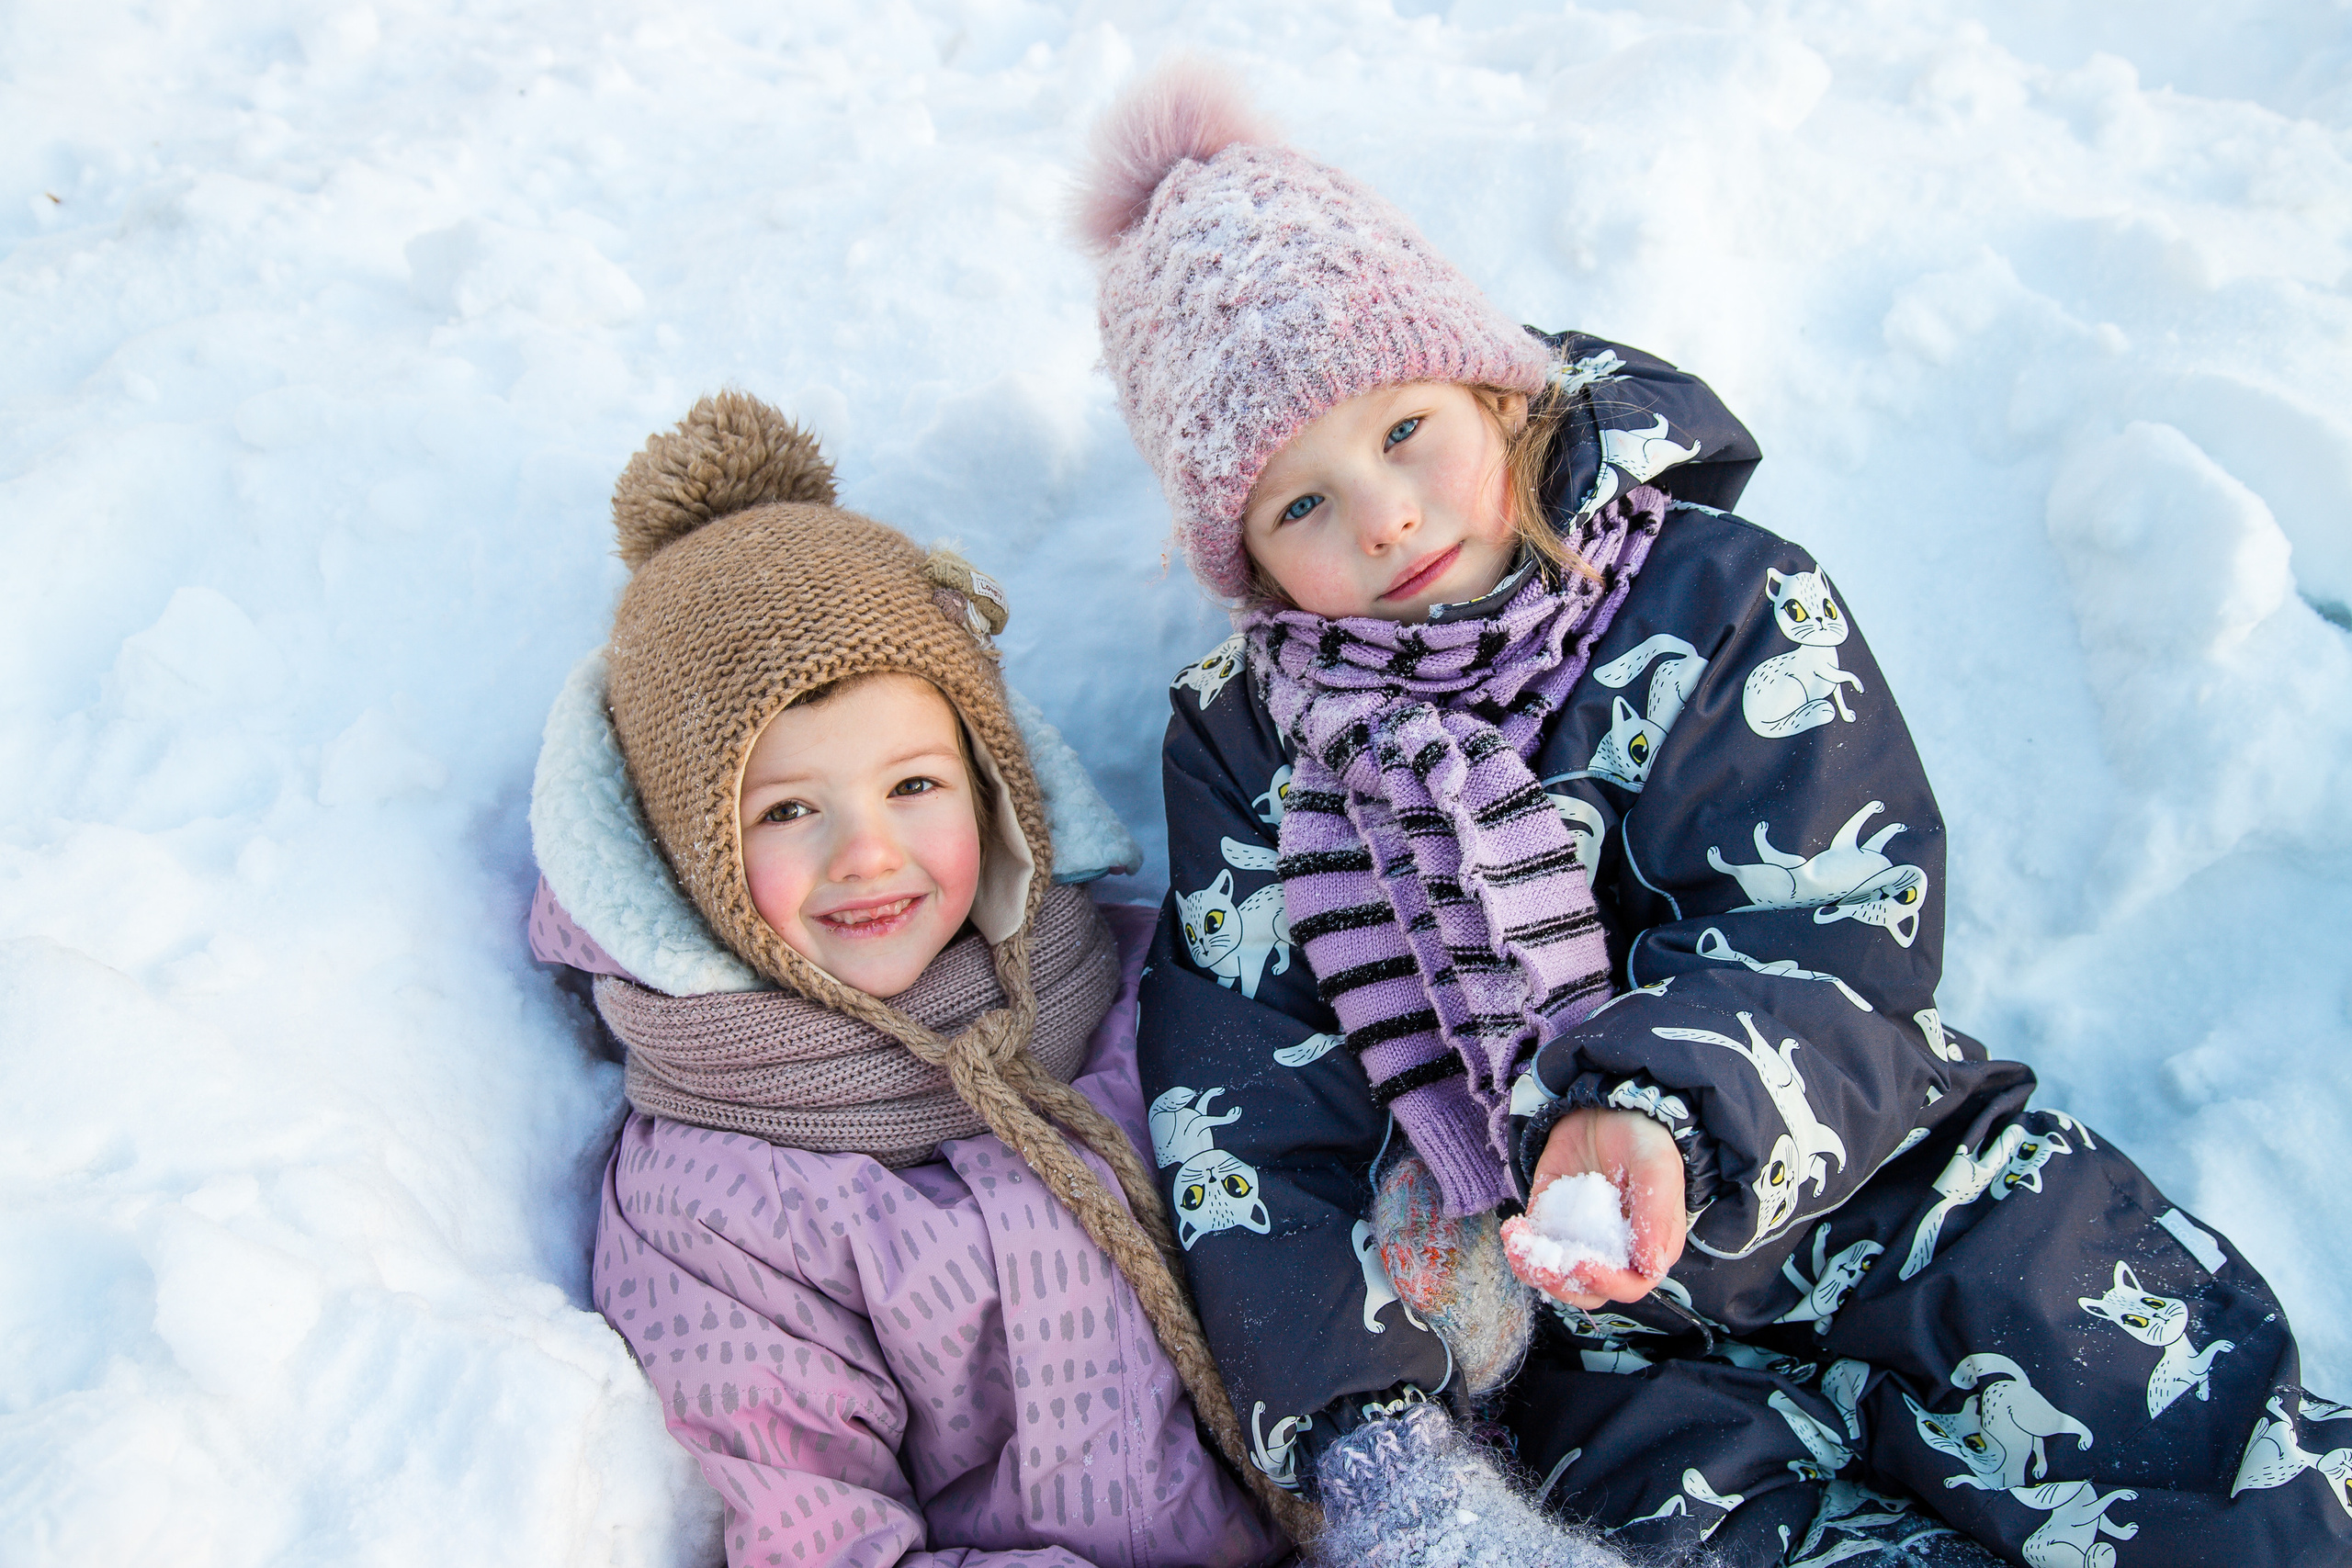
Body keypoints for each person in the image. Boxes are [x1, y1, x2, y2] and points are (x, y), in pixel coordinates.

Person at [1079, 59, 2352, 1567]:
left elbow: (1829, 920)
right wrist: (1371, 1441)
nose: (1382, 516)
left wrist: (1657, 1110)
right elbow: (1249, 1103)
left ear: (1493, 383)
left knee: (2204, 1454)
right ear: (1246, 560)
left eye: (1405, 427)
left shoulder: (1712, 596)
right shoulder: (1258, 754)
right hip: (1595, 1350)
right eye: (1299, 505)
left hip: (1888, 1179)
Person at [526, 391, 1297, 1568]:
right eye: (788, 810)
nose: (869, 855)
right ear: (687, 851)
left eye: (914, 786)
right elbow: (822, 1538)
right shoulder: (714, 1203)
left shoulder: (1156, 983)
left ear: (993, 783)